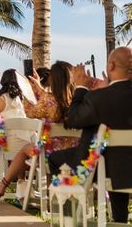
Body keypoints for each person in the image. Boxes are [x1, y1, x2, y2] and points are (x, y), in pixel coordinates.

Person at [48, 47, 132, 223]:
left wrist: (81, 87)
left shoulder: (100, 98)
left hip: (104, 168)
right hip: (122, 169)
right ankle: (120, 221)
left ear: (111, 65)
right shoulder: (102, 96)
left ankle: (69, 218)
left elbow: (72, 119)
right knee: (118, 159)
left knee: (56, 159)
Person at [0, 60, 77, 201]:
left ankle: (3, 185)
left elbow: (29, 112)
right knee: (26, 147)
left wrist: (29, 90)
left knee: (25, 150)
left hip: (49, 154)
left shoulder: (49, 102)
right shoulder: (77, 100)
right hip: (75, 153)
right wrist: (40, 88)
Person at [0, 69, 29, 180]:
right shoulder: (25, 100)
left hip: (6, 145)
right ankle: (21, 182)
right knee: (19, 143)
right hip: (26, 145)